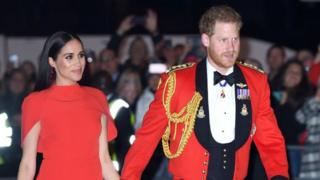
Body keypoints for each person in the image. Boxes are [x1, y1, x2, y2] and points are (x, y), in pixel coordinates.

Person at [121, 5, 289, 180]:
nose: (231, 47)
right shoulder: (176, 82)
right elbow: (146, 140)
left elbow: (270, 140)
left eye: (235, 39)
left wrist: (279, 176)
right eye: (223, 40)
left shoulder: (256, 81)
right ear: (206, 40)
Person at [17, 31, 119, 180]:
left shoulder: (97, 97)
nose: (78, 63)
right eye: (69, 57)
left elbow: (105, 161)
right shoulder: (35, 102)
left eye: (81, 55)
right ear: (52, 61)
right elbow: (27, 165)